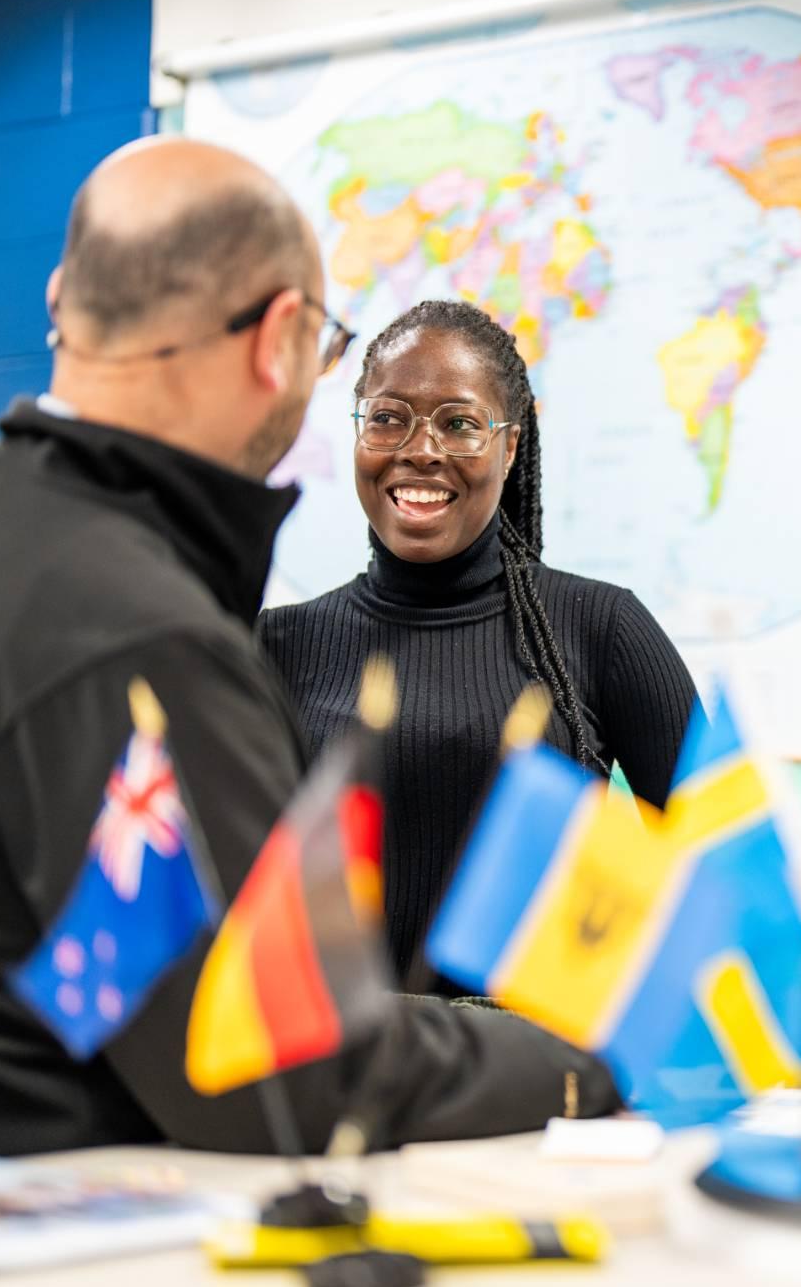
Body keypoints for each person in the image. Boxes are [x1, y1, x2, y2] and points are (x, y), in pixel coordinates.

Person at [0, 139, 619, 1156]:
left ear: (63, 304)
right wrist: (583, 1066)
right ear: (280, 338)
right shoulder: (135, 631)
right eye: (333, 352)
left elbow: (136, 989)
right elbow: (280, 1068)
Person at [260, 299, 699, 985]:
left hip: (536, 1080)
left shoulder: (599, 628)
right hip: (335, 1078)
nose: (420, 449)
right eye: (387, 418)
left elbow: (724, 881)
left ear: (511, 443)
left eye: (459, 423)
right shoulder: (279, 645)